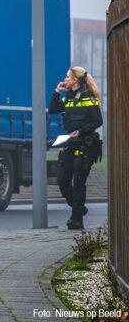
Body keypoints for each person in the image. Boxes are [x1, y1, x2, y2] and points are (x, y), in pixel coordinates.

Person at [48, 66, 103, 230]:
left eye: (67, 77)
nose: (65, 80)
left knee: (79, 182)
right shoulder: (69, 98)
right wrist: (57, 91)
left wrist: (80, 131)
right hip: (70, 145)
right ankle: (78, 207)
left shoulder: (89, 98)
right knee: (62, 180)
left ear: (75, 80)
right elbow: (52, 110)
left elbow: (97, 121)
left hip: (85, 147)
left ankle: (77, 218)